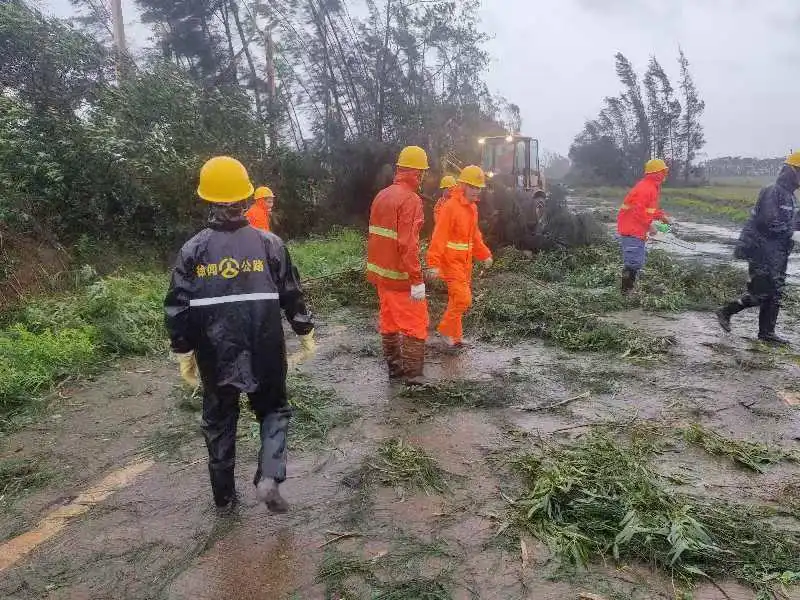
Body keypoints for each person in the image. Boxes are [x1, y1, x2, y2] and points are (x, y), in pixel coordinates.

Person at [164, 156, 315, 515]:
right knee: (274, 410)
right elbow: (291, 293)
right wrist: (304, 330)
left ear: (208, 198)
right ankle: (269, 477)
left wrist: (183, 352)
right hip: (264, 346)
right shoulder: (269, 245)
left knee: (219, 422)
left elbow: (177, 306)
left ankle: (225, 502)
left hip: (215, 355)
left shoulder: (193, 250)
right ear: (247, 198)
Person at [716, 152, 800, 345]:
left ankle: (767, 334)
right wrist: (790, 231)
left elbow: (792, 221)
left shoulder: (790, 197)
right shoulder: (773, 191)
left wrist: (793, 228)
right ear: (792, 171)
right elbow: (767, 222)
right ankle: (726, 311)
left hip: (777, 252)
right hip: (760, 249)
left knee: (776, 291)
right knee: (762, 291)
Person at [366, 146, 430, 383]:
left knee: (389, 322)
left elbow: (377, 237)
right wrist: (417, 279)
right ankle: (413, 377)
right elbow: (407, 245)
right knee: (415, 323)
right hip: (400, 277)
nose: (423, 177)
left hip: (381, 275)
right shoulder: (410, 200)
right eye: (422, 173)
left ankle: (394, 369)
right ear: (417, 173)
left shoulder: (382, 195)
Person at [426, 165, 493, 348]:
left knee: (457, 300)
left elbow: (475, 236)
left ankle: (456, 337)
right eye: (472, 186)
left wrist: (484, 254)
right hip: (451, 262)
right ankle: (445, 330)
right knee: (464, 299)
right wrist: (433, 262)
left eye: (478, 187)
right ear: (462, 185)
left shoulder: (472, 209)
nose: (476, 191)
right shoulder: (450, 207)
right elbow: (439, 236)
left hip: (465, 262)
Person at [616, 159, 671, 294]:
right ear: (657, 173)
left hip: (636, 229)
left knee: (636, 261)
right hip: (632, 229)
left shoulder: (650, 186)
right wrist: (650, 226)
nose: (665, 174)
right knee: (633, 263)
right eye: (663, 171)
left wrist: (661, 216)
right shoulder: (646, 188)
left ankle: (629, 290)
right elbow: (638, 211)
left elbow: (649, 209)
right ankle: (626, 293)